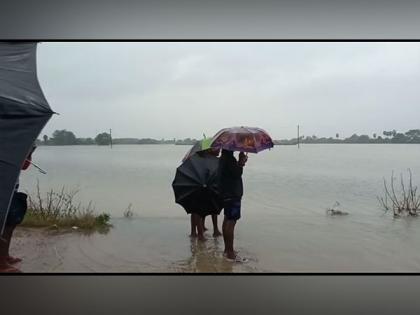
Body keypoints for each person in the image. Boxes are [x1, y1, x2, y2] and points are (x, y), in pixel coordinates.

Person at [0, 146, 35, 272]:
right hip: (4, 189)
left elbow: (24, 166)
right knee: (5, 227)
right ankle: (1, 263)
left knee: (10, 225)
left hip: (12, 188)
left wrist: (29, 152)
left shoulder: (16, 145)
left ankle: (5, 257)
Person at [218, 149, 248, 262]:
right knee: (231, 222)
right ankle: (230, 253)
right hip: (233, 195)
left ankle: (227, 250)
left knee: (227, 219)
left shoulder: (222, 159)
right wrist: (241, 162)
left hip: (226, 194)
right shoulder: (230, 160)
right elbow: (236, 174)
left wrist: (240, 162)